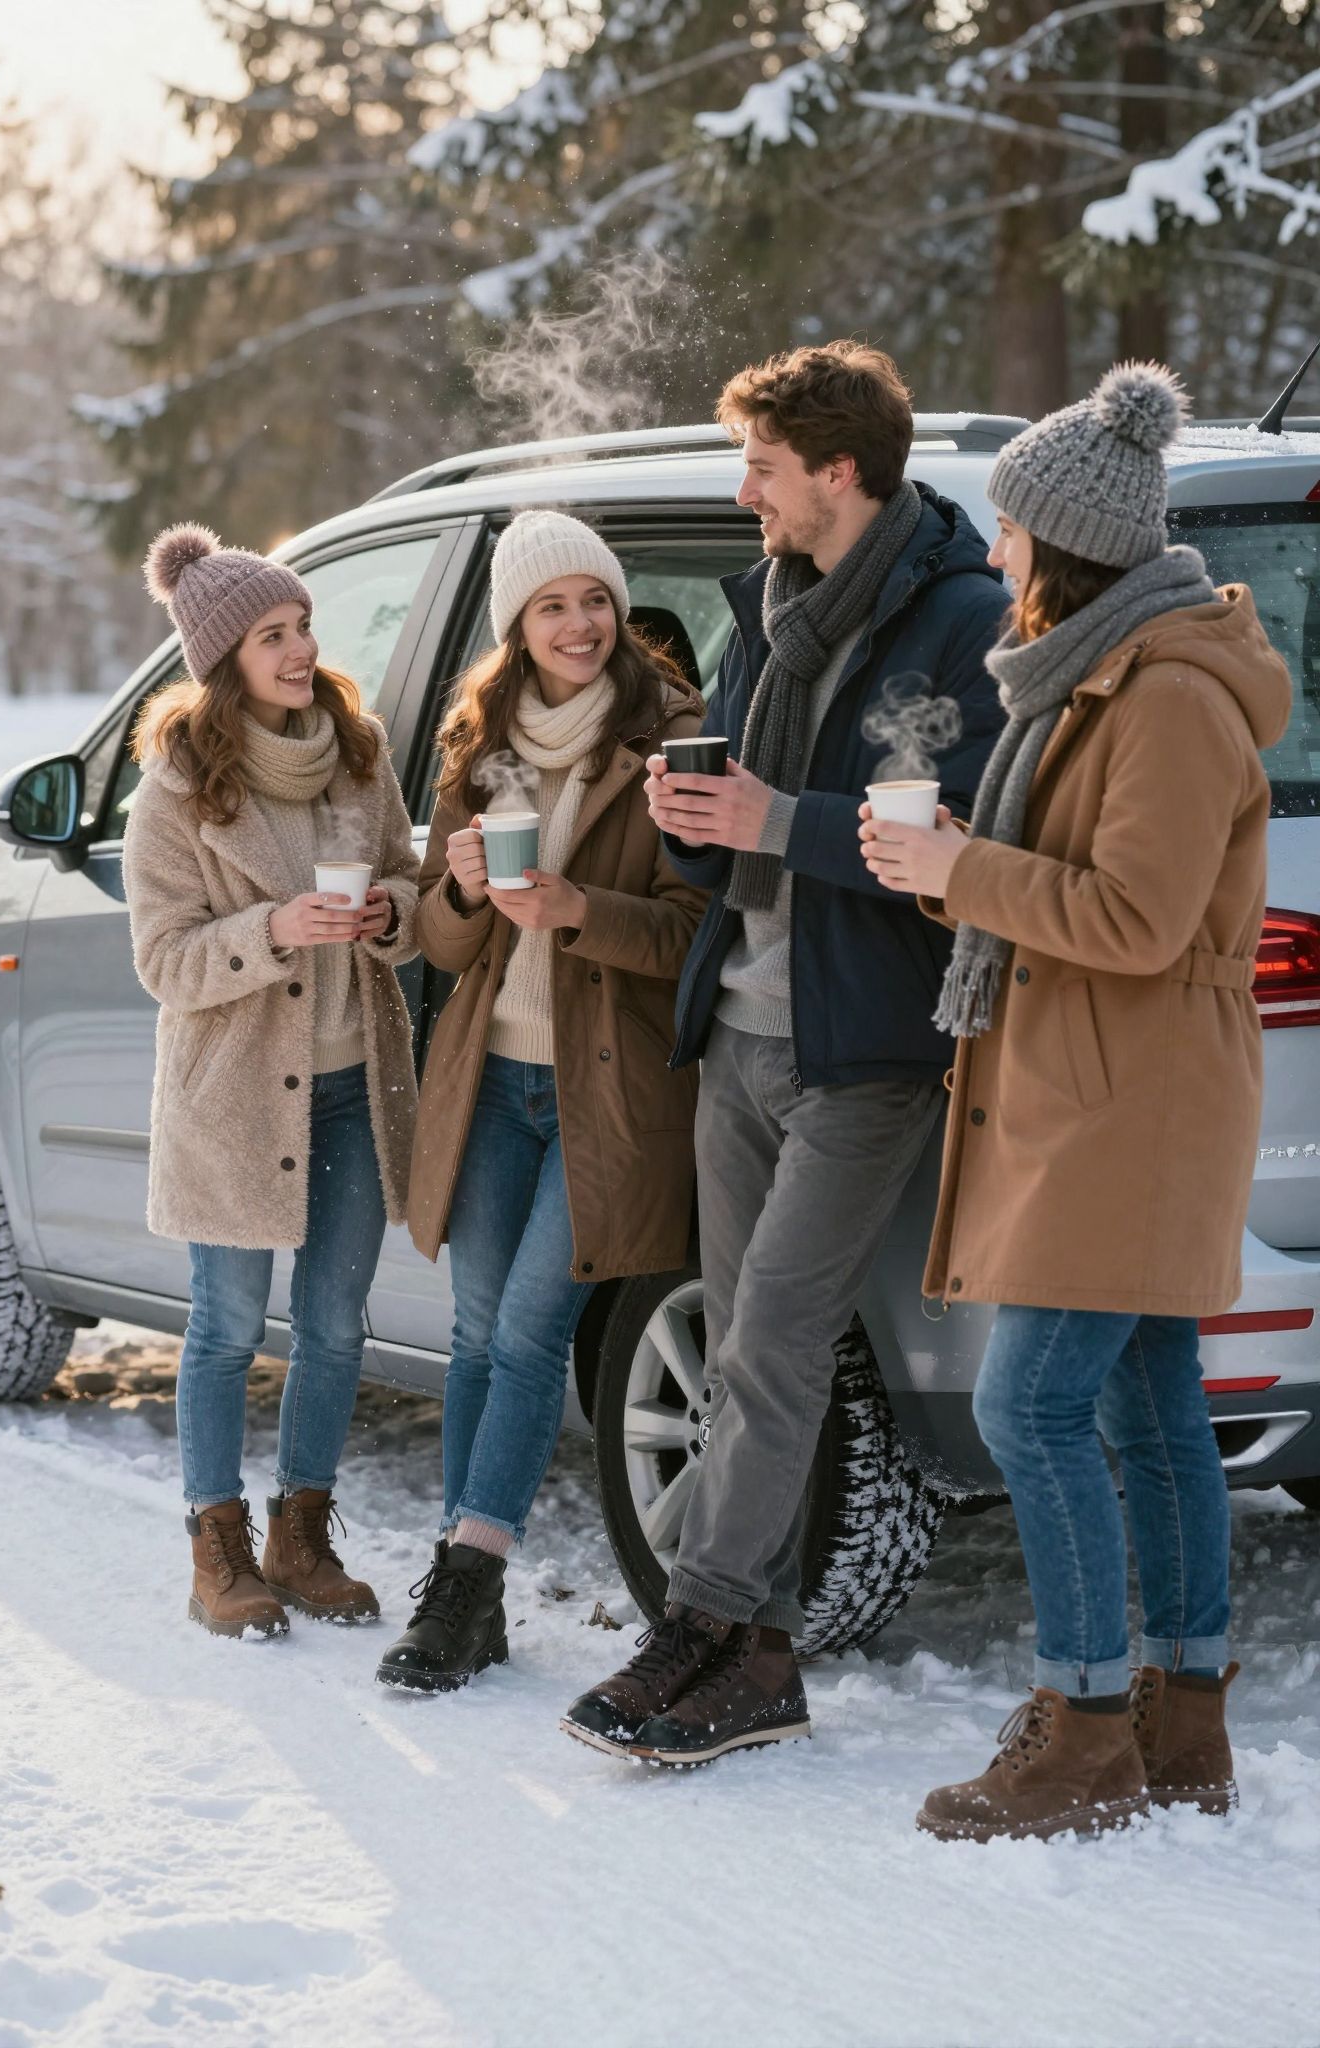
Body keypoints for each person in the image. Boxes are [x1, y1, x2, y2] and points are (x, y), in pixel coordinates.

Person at [858, 362, 1291, 1841]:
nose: (994, 558)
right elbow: (1100, 893)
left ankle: (1087, 1721)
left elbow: (1138, 921)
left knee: (1025, 1405)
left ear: (1070, 543)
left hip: (1132, 1103)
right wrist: (966, 857)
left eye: (1009, 533)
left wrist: (959, 871)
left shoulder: (1167, 693)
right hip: (1114, 1090)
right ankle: (1180, 1726)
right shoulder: (1110, 674)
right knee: (1148, 1405)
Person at [563, 341, 1009, 1767]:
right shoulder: (773, 603)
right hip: (741, 1024)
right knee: (746, 1334)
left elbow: (956, 850)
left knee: (770, 1345)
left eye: (761, 464)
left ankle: (699, 1625)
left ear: (839, 471)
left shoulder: (960, 621)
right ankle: (755, 1659)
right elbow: (746, 818)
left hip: (867, 1049)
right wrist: (697, 821)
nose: (741, 488)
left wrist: (777, 823)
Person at [376, 510, 708, 1693]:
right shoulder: (479, 742)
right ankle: (473, 1589)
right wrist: (461, 891)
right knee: (474, 1333)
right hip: (489, 1083)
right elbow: (443, 944)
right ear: (518, 622)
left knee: (523, 1333)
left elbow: (693, 933)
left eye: (598, 602)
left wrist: (579, 912)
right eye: (555, 605)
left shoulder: (672, 737)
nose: (581, 624)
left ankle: (462, 1586)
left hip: (604, 1092)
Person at [123, 524, 420, 1640]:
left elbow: (401, 873)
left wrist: (388, 912)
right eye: (272, 635)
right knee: (226, 1326)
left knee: (337, 1326)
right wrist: (273, 928)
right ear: (222, 659)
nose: (299, 651)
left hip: (351, 1083)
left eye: (302, 628)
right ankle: (218, 1550)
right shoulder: (177, 794)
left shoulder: (357, 752)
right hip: (235, 1097)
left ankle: (303, 1535)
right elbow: (165, 960)